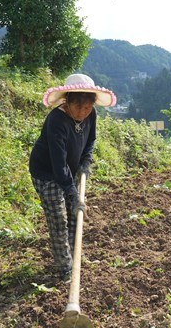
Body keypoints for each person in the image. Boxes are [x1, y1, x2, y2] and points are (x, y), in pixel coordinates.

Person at [28, 74, 116, 280]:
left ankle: (74, 258)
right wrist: (73, 194)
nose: (83, 113)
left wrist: (86, 162)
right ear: (67, 101)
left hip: (71, 169)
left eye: (87, 107)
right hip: (47, 173)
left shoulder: (90, 114)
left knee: (74, 216)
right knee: (59, 218)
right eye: (78, 107)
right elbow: (59, 164)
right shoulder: (56, 120)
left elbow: (90, 141)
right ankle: (65, 268)